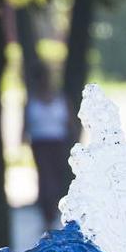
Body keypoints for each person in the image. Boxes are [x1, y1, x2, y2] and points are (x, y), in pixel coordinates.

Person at [23, 68, 73, 231]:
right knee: (46, 178)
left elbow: (70, 122)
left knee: (55, 178)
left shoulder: (61, 99)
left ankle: (52, 211)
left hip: (58, 143)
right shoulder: (31, 101)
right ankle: (48, 214)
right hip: (40, 143)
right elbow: (25, 124)